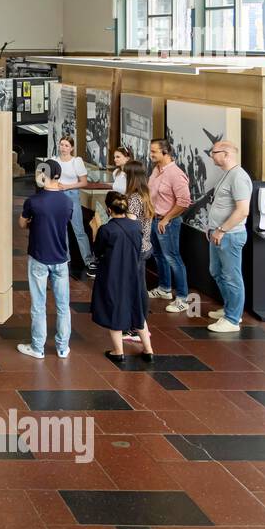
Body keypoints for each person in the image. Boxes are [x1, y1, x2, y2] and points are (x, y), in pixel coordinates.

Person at [17, 159, 74, 361]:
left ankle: (38, 347)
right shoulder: (67, 201)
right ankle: (62, 347)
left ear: (43, 174)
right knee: (63, 306)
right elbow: (63, 221)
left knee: (38, 306)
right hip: (61, 258)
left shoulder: (33, 201)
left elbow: (22, 223)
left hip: (39, 257)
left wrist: (33, 222)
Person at [92, 191, 155, 363]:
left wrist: (95, 230)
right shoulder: (135, 227)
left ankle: (118, 351)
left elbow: (97, 252)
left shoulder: (107, 229)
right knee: (137, 310)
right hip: (133, 274)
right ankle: (148, 350)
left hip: (112, 275)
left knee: (114, 310)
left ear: (109, 209)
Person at [204, 141, 253, 333]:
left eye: (213, 152)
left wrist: (222, 230)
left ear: (226, 154)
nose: (211, 155)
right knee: (216, 271)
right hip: (218, 234)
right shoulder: (228, 174)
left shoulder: (239, 177)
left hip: (229, 236)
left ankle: (233, 319)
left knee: (232, 277)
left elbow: (243, 211)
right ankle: (229, 308)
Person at [148, 138, 192, 313]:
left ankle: (183, 298)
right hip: (154, 219)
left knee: (173, 258)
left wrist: (166, 219)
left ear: (165, 153)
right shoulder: (156, 170)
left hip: (168, 223)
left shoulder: (176, 174)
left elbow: (184, 201)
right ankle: (164, 288)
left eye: (154, 152)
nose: (150, 154)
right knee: (159, 255)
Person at [120, 159, 155, 342]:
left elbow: (130, 226)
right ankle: (140, 325)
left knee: (134, 288)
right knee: (141, 287)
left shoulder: (133, 198)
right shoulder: (146, 194)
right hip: (146, 245)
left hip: (135, 249)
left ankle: (136, 328)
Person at [54, 136, 96, 275]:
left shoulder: (76, 161)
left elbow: (84, 182)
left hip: (72, 195)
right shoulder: (54, 161)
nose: (63, 148)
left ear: (71, 148)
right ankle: (65, 258)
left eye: (66, 145)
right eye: (62, 145)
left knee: (78, 229)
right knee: (61, 229)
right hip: (58, 196)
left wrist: (67, 186)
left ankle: (88, 259)